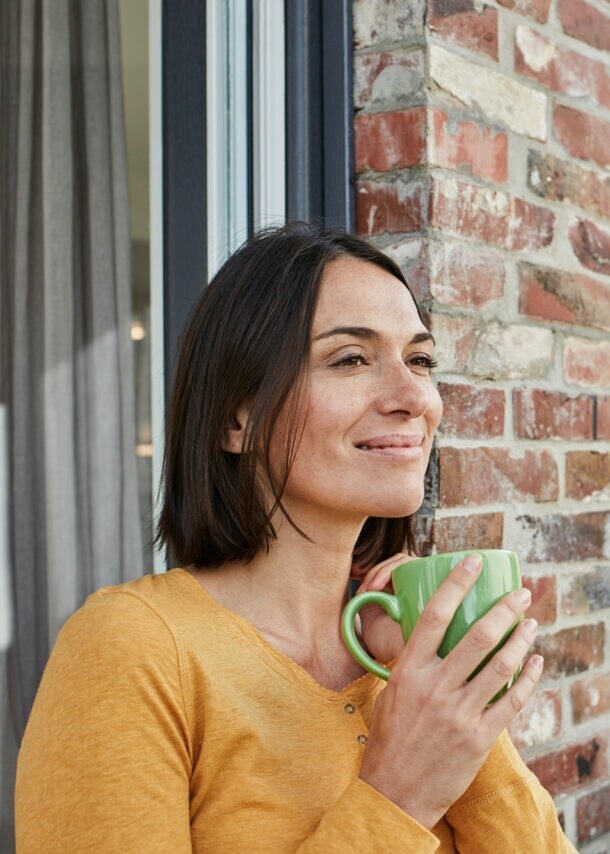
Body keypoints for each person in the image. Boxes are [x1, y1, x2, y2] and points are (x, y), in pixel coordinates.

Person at [15, 224, 575, 852]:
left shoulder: (396, 655)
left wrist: (455, 703)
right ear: (237, 419)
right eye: (350, 359)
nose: (414, 396)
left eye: (419, 359)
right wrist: (399, 796)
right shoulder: (133, 649)